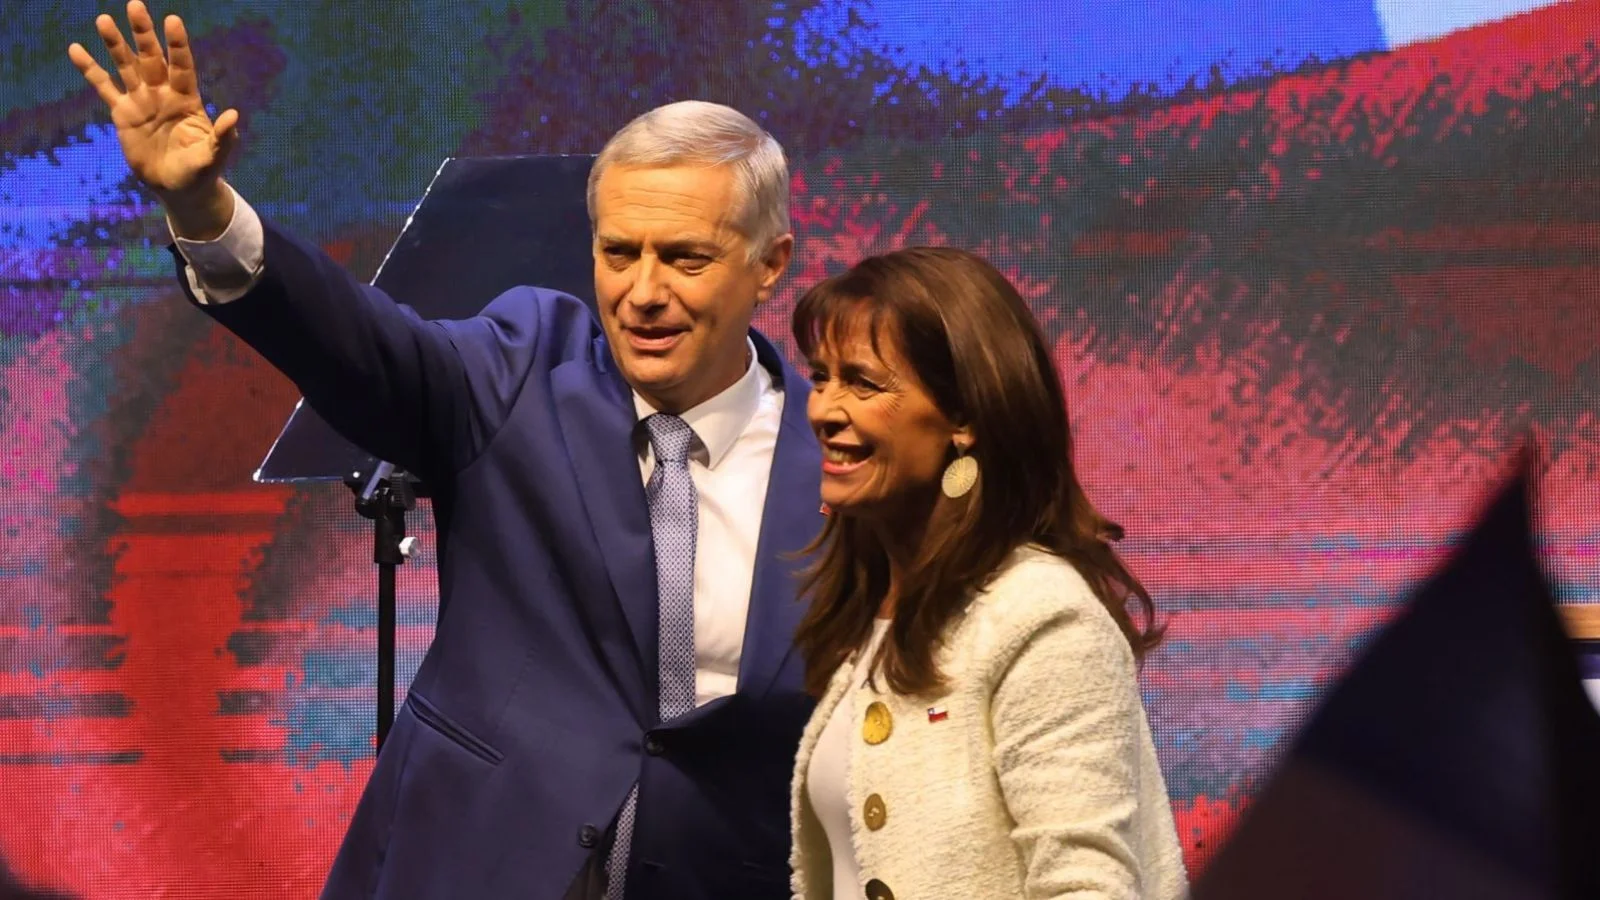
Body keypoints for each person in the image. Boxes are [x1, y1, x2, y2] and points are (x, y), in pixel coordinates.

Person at [69, 4, 823, 898]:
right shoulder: (520, 369)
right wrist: (202, 210)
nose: (643, 292)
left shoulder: (836, 458)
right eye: (620, 252)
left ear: (770, 263)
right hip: (478, 863)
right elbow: (358, 343)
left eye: (686, 259)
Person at [786, 247, 1189, 899]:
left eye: (863, 383)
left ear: (965, 418)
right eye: (821, 376)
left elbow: (1087, 887)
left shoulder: (1040, 616)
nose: (825, 409)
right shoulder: (875, 605)